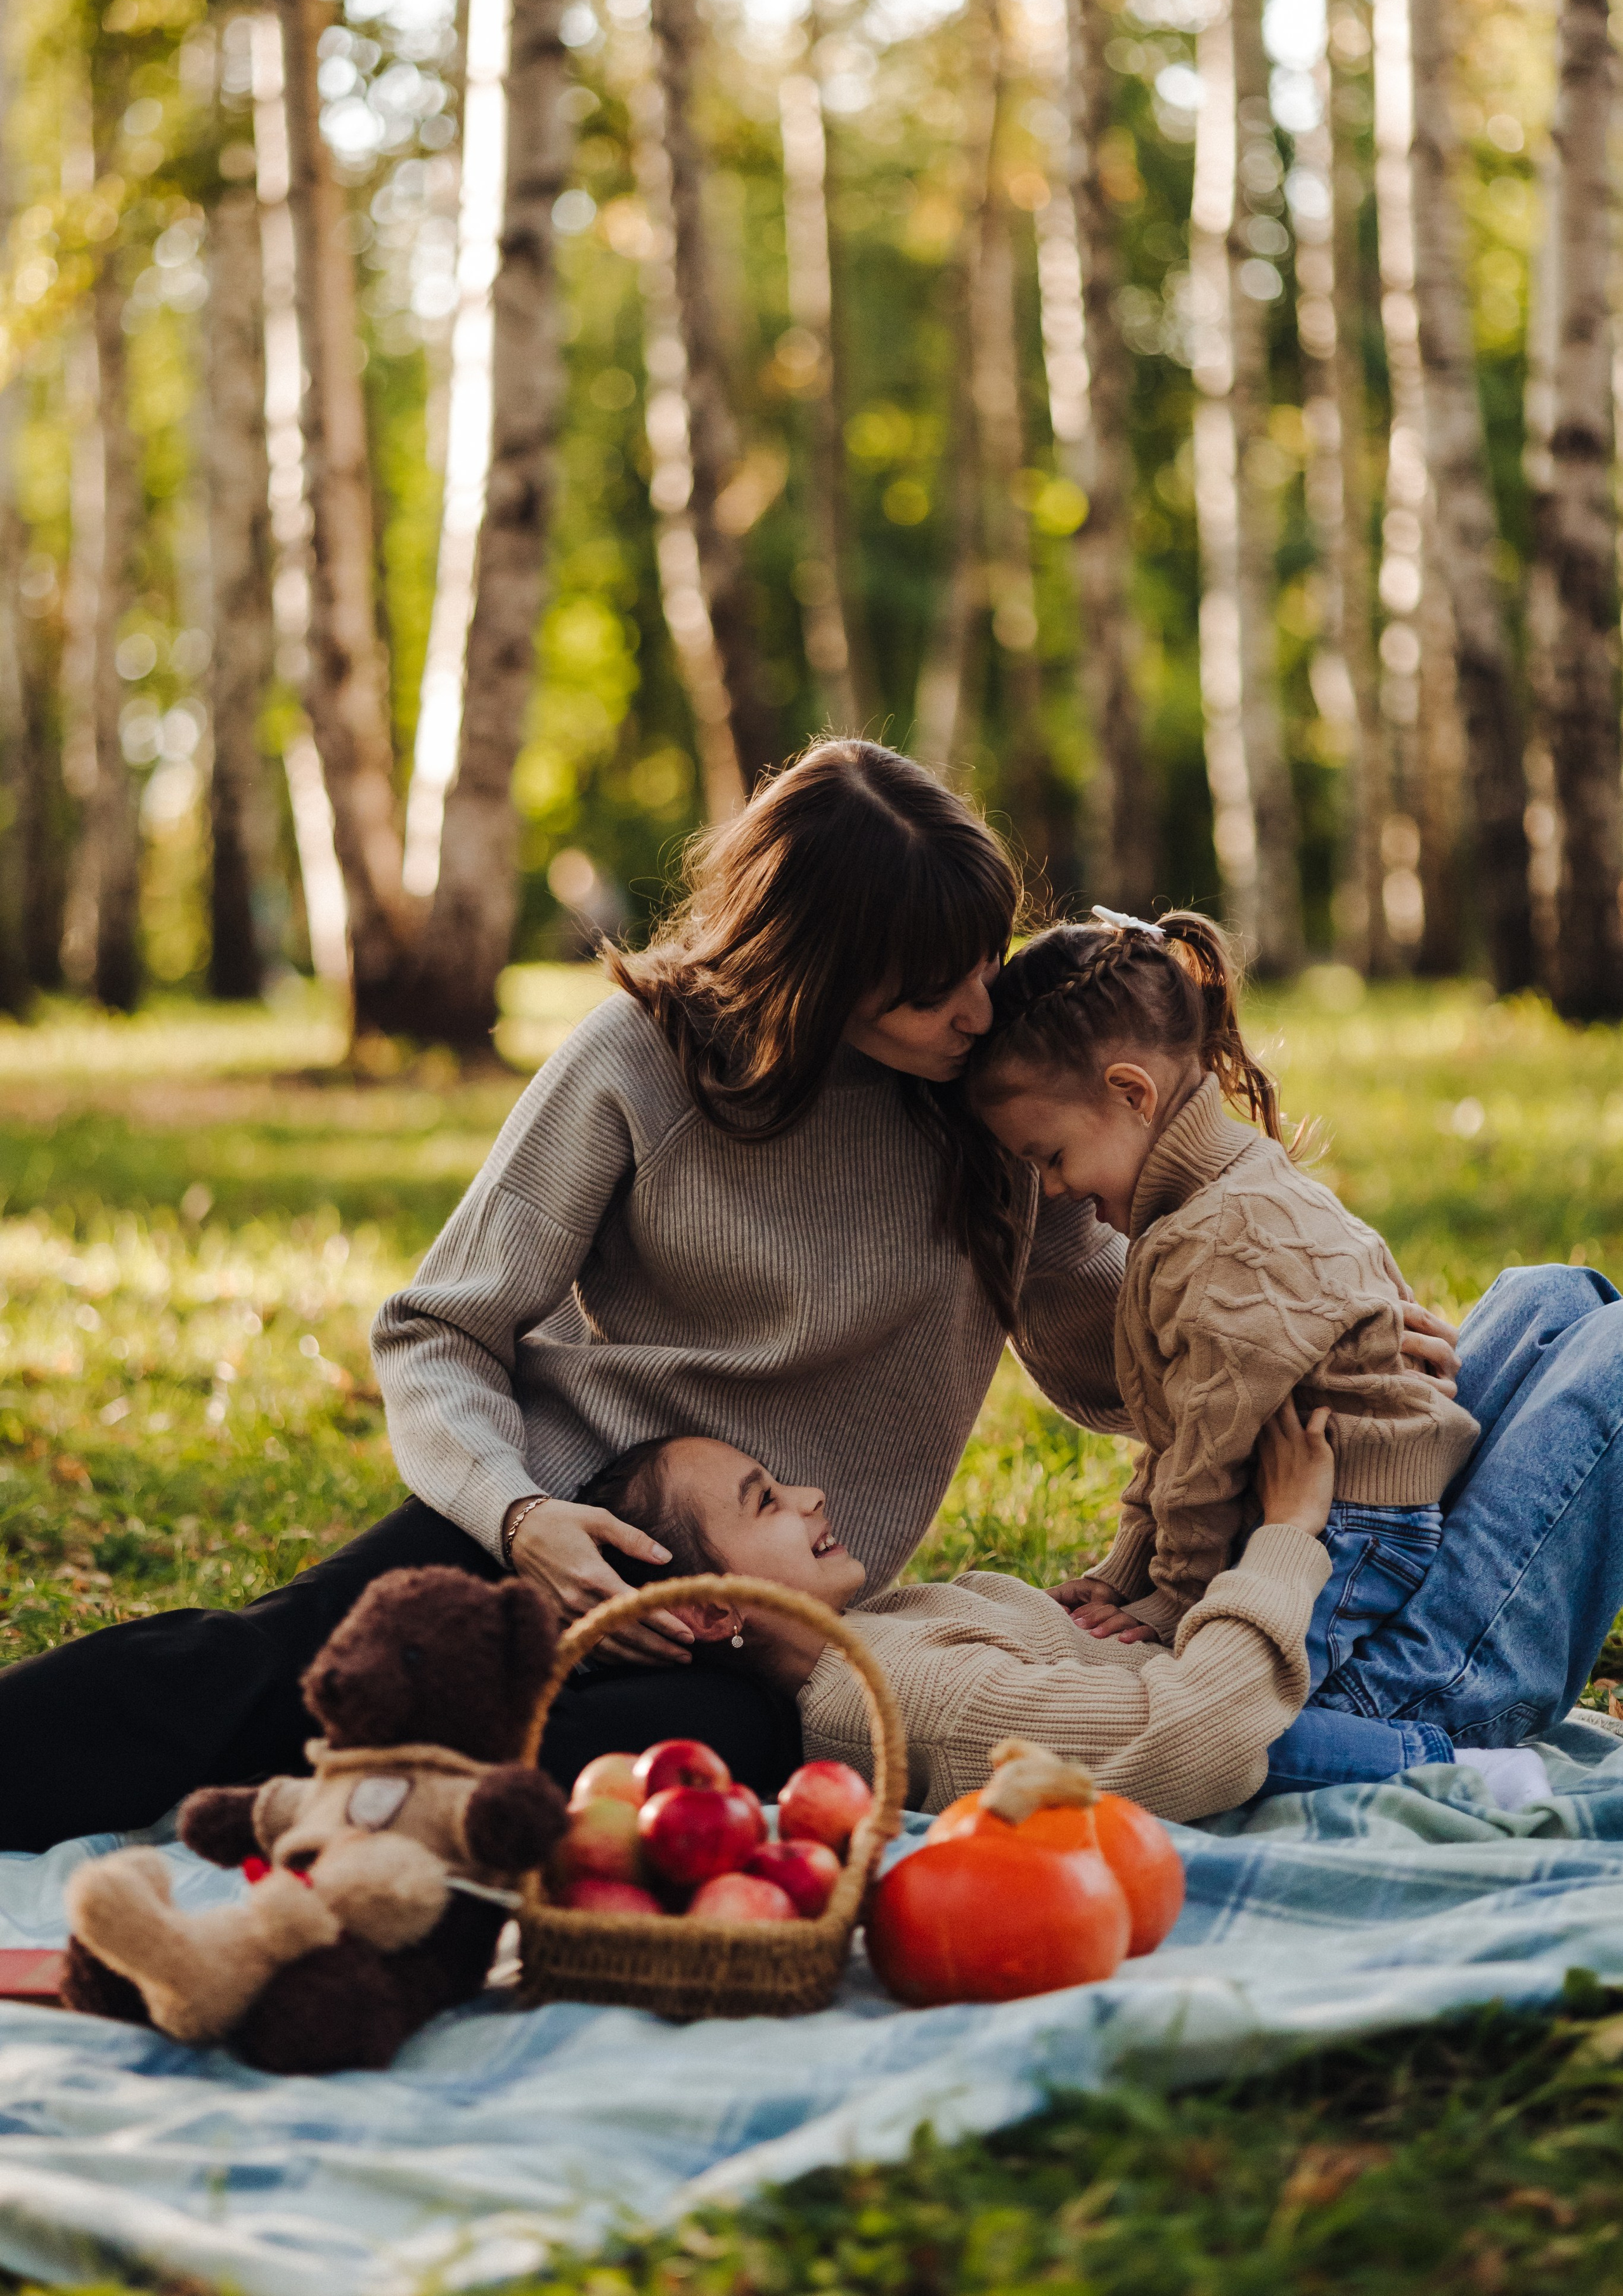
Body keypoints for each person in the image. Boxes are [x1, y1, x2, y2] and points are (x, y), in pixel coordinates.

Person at [0, 742, 1140, 1849]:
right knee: (265, 1674)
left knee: (668, 1757)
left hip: (756, 1618)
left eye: (986, 963)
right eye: (932, 993)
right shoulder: (645, 1057)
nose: (979, 1012)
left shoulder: (991, 1100)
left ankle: (359, 1821)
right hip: (553, 1516)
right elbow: (440, 1327)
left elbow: (1121, 1345)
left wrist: (1217, 1326)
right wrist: (516, 1515)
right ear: (817, 972)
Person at [964, 908, 1480, 1699]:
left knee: (1242, 1699)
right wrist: (1125, 1573)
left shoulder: (1218, 1235)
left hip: (1356, 1516)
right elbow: (1173, 1427)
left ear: (1131, 1094)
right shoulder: (1216, 1195)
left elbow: (1204, 1455)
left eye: (1051, 1157)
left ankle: (1417, 1726)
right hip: (1311, 1501)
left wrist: (1174, 1601)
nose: (1053, 1189)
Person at [572, 1416, 1342, 1821]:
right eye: (766, 1501)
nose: (810, 1495)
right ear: (714, 1610)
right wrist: (1288, 1529)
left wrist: (1047, 1620)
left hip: (1263, 1677)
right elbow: (1193, 1735)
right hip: (1304, 1723)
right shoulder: (909, 1699)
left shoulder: (866, 1640)